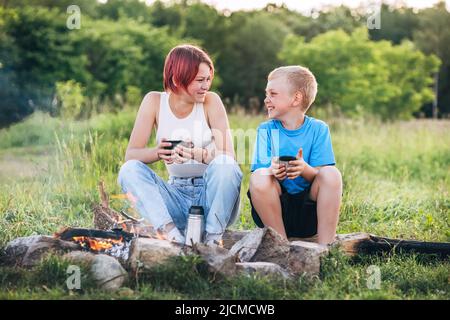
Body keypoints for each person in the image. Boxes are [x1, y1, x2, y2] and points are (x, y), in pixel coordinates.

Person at [117, 44, 243, 245]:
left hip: (211, 198)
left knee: (226, 166)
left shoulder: (211, 101)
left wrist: (197, 153)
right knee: (129, 169)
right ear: (177, 79)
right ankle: (172, 235)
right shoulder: (154, 101)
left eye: (208, 79)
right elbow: (132, 155)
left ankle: (212, 240)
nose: (206, 86)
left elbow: (228, 157)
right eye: (200, 80)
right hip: (175, 196)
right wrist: (158, 152)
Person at [248, 66, 342, 244]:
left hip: (309, 214)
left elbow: (321, 175)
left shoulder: (318, 129)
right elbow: (259, 175)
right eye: (266, 94)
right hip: (275, 212)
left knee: (331, 174)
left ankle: (326, 248)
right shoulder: (266, 130)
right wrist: (272, 169)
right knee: (260, 176)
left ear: (296, 98)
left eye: (273, 94)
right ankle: (281, 246)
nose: (266, 100)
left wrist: (304, 169)